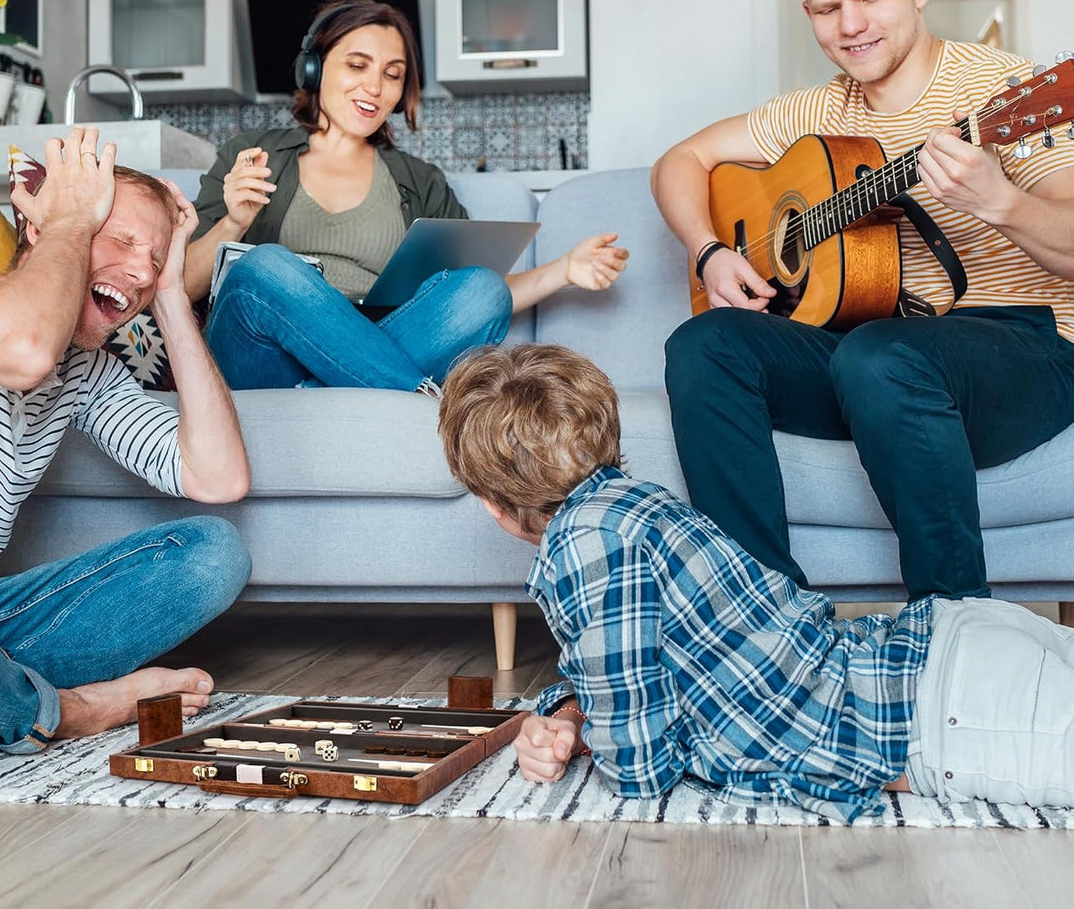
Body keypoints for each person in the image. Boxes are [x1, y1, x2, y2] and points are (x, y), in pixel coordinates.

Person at [437, 342, 1074, 823]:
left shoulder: (583, 548)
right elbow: (651, 670)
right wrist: (571, 712)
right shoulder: (636, 502)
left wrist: (589, 729)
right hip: (955, 646)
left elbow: (639, 770)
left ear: (493, 502)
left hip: (953, 712)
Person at [650, 0, 1074, 600]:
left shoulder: (1004, 91)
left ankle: (951, 628)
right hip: (873, 362)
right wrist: (708, 253)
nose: (850, 26)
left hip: (1028, 350)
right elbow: (679, 161)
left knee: (880, 354)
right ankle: (760, 614)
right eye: (825, 8)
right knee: (706, 344)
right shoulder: (817, 112)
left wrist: (1003, 201)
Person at [0, 126, 253, 780]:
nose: (139, 268)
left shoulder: (88, 373)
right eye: (122, 240)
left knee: (213, 554)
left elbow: (218, 476)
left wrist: (173, 297)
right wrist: (68, 216)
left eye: (153, 258)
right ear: (46, 228)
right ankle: (61, 712)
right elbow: (19, 352)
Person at [185, 0, 628, 393]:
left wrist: (565, 270)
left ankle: (333, 391)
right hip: (264, 359)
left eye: (392, 75)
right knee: (265, 265)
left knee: (484, 288)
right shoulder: (252, 154)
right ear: (314, 68)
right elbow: (181, 285)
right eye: (357, 66)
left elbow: (472, 296)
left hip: (387, 335)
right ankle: (411, 393)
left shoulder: (421, 180)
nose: (375, 88)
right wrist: (234, 223)